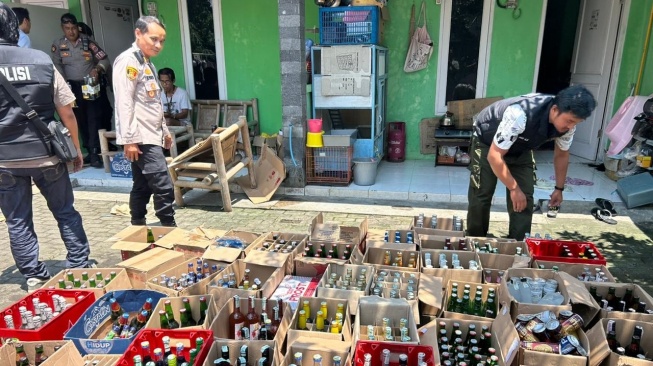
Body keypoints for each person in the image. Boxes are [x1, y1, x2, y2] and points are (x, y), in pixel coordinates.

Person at [0, 3, 93, 290]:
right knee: (65, 210)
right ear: (14, 26)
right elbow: (66, 111)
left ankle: (33, 273)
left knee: (18, 220)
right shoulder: (40, 59)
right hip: (46, 154)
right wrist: (76, 149)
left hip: (5, 161)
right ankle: (79, 263)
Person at [466, 85, 597, 240]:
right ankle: (474, 241)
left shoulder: (567, 127)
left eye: (576, 123)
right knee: (482, 193)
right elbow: (495, 156)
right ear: (555, 110)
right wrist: (514, 188)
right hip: (488, 142)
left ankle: (518, 246)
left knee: (524, 198)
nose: (571, 127)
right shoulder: (520, 114)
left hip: (521, 148)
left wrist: (559, 189)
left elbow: (561, 154)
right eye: (569, 121)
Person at [113, 16, 175, 227]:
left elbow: (154, 103)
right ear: (138, 34)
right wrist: (129, 140)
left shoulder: (147, 64)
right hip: (141, 137)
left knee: (142, 185)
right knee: (163, 185)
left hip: (152, 134)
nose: (158, 45)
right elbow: (124, 102)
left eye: (162, 40)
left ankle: (137, 224)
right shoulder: (128, 61)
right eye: (154, 39)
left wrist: (165, 131)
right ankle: (168, 226)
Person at [51, 13, 111, 168]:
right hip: (71, 87)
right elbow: (56, 65)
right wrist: (62, 83)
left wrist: (97, 69)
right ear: (62, 28)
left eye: (73, 28)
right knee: (79, 119)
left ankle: (95, 152)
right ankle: (88, 151)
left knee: (93, 118)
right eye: (67, 28)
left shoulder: (88, 41)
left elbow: (104, 59)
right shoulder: (58, 44)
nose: (71, 32)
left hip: (89, 86)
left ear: (77, 27)